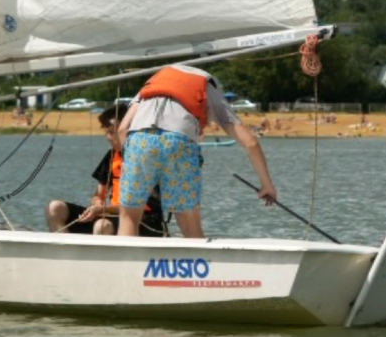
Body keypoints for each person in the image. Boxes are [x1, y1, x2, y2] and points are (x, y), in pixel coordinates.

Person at [116, 65, 277, 239]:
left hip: (138, 140)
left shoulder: (153, 83)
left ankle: (124, 265)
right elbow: (251, 142)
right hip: (180, 143)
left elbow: (122, 129)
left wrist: (138, 163)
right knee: (189, 222)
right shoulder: (206, 86)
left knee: (129, 217)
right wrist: (266, 184)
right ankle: (198, 263)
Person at [45, 103, 167, 237]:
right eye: (106, 131)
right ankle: (65, 255)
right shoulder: (111, 157)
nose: (108, 137)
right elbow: (98, 194)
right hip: (110, 217)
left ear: (129, 130)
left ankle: (101, 256)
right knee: (55, 208)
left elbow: (142, 207)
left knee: (102, 225)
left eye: (112, 132)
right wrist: (97, 203)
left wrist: (102, 209)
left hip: (145, 222)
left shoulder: (149, 159)